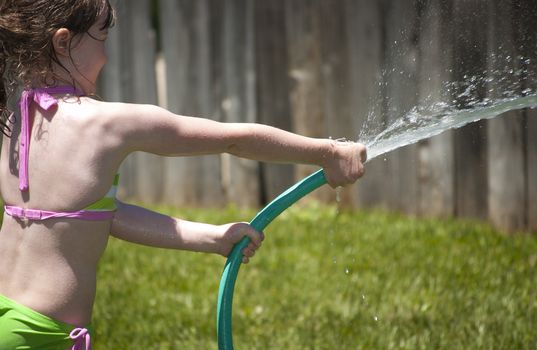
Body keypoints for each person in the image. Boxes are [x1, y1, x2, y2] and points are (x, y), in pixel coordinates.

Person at [0, 0, 367, 349]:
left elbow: (100, 215)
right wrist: (327, 152)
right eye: (102, 38)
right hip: (42, 334)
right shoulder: (106, 123)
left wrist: (213, 238)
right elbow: (234, 140)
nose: (106, 56)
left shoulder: (19, 120)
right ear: (64, 41)